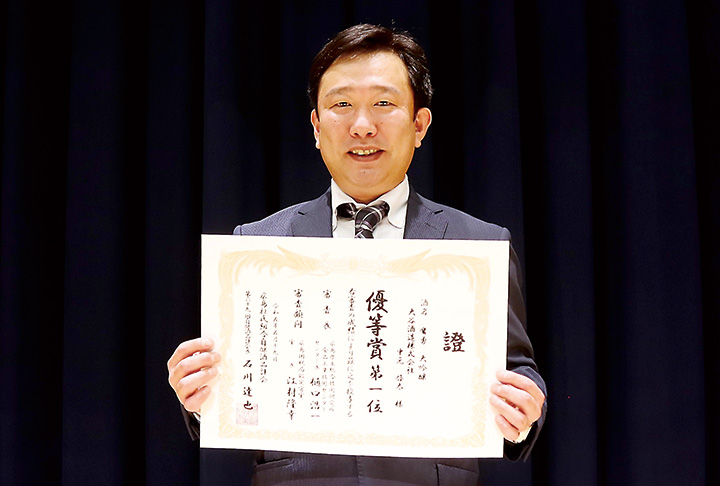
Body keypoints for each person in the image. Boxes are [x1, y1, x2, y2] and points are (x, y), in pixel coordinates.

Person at [167, 23, 546, 486]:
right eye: (341, 105)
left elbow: (517, 370)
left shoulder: (479, 244)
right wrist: (200, 394)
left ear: (420, 125)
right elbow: (236, 381)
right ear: (316, 126)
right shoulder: (258, 244)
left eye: (384, 104)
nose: (362, 125)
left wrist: (524, 410)